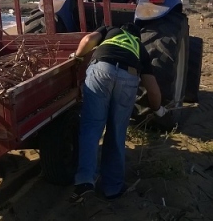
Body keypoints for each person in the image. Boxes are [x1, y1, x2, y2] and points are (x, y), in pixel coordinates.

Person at [68, 22, 167, 203]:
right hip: (129, 77)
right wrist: (158, 109)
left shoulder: (110, 31)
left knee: (91, 128)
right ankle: (112, 188)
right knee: (116, 132)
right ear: (137, 36)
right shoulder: (139, 48)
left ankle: (84, 182)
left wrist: (78, 56)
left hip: (101, 70)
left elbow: (88, 39)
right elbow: (153, 90)